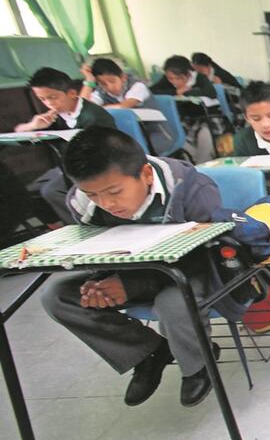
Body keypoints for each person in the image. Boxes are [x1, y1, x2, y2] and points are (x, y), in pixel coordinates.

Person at [40, 127, 230, 407]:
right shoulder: (81, 201)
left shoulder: (191, 189)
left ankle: (198, 365)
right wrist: (101, 282)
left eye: (114, 192)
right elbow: (100, 248)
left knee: (172, 303)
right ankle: (148, 352)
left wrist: (130, 285)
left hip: (193, 271)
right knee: (56, 296)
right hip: (130, 272)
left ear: (146, 174)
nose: (106, 203)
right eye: (92, 195)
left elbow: (204, 256)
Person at [16, 67, 118, 219]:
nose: (49, 103)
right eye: (43, 99)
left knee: (55, 191)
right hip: (67, 169)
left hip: (97, 167)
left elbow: (108, 151)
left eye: (53, 97)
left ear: (71, 93)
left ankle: (88, 223)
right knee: (34, 191)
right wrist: (33, 126)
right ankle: (74, 224)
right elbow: (20, 136)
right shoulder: (54, 117)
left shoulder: (94, 116)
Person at [80, 58, 172, 155]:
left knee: (129, 156)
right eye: (102, 84)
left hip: (157, 134)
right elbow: (83, 107)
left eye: (112, 81)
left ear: (123, 77)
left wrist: (100, 108)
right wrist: (89, 81)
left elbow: (124, 106)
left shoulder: (137, 86)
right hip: (130, 137)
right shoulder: (101, 92)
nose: (109, 87)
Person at [149, 55, 216, 98]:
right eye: (170, 78)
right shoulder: (166, 79)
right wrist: (175, 92)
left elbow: (212, 93)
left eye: (178, 78)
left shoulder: (199, 77)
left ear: (188, 74)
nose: (174, 81)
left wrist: (186, 92)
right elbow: (150, 91)